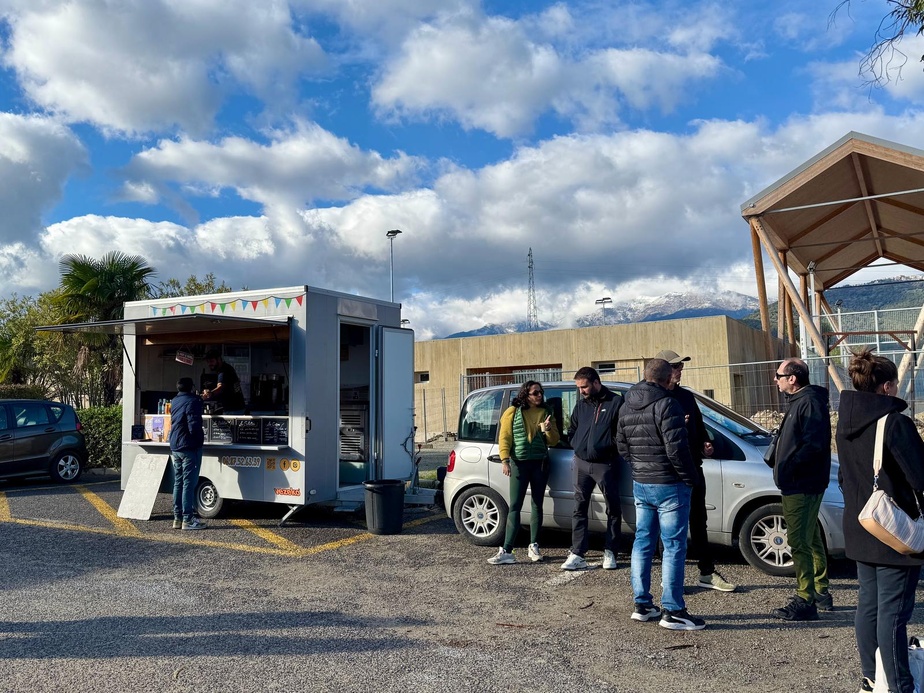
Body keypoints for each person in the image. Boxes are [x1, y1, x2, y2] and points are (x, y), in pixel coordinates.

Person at [836, 350, 924, 693]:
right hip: (894, 530)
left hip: (861, 524)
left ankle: (872, 679)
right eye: (896, 384)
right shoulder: (894, 423)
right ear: (887, 386)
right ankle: (900, 685)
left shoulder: (846, 422)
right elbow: (919, 477)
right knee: (893, 613)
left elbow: (846, 476)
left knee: (869, 606)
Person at [617, 358, 705, 631]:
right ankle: (674, 610)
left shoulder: (626, 402)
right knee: (674, 545)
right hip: (670, 484)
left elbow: (621, 444)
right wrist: (690, 478)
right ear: (668, 378)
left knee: (643, 542)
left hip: (642, 482)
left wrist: (640, 467)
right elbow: (677, 449)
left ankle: (642, 604)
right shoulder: (668, 404)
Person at [655, 349, 736, 593]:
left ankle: (706, 572)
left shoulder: (686, 396)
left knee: (698, 520)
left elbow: (700, 428)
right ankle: (670, 579)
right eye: (676, 367)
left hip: (692, 469)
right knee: (668, 527)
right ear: (663, 369)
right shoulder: (652, 397)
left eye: (681, 366)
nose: (680, 371)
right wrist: (678, 425)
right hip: (666, 473)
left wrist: (705, 444)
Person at [766, 358, 832, 621]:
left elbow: (814, 445)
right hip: (802, 481)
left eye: (779, 375)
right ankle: (820, 591)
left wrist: (789, 467)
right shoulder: (802, 401)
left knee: (798, 541)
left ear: (793, 378)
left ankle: (806, 598)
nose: (776, 379)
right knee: (811, 535)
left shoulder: (809, 402)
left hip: (802, 483)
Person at [486, 380, 560, 564]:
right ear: (525, 394)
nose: (539, 395)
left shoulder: (546, 412)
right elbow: (505, 437)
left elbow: (554, 441)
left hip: (540, 463)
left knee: (537, 504)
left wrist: (549, 430)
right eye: (535, 393)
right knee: (515, 505)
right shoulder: (512, 412)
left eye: (541, 392)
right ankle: (507, 550)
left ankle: (534, 545)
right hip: (519, 463)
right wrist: (505, 460)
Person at [560, 366, 623, 571]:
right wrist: (577, 444)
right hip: (581, 463)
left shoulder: (615, 402)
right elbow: (572, 430)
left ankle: (611, 551)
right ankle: (577, 552)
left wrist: (606, 447)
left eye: (584, 387)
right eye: (578, 387)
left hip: (606, 464)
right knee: (579, 507)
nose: (581, 391)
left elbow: (621, 434)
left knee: (613, 508)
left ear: (596, 382)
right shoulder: (580, 406)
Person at [169, 377, 206, 530]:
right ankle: (188, 519)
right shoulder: (193, 401)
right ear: (192, 387)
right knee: (189, 484)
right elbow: (194, 424)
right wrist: (198, 442)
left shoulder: (175, 400)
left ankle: (177, 518)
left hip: (175, 444)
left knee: (178, 482)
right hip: (188, 445)